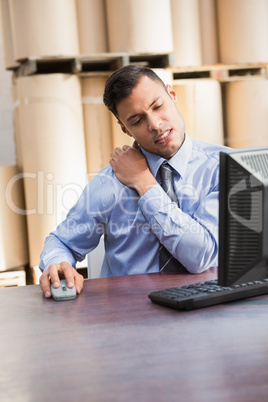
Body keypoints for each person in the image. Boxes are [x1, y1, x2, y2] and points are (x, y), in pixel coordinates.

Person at [39, 65, 229, 298]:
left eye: (158, 106)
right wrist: (58, 263)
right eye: (137, 120)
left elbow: (199, 256)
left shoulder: (222, 167)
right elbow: (61, 241)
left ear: (172, 94)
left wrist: (144, 183)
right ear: (125, 129)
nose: (155, 125)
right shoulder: (110, 182)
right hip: (131, 316)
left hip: (208, 307)